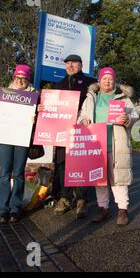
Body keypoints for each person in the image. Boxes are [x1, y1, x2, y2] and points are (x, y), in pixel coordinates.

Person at [77, 67, 139, 225]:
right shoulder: (91, 97)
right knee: (100, 178)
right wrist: (83, 120)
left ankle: (122, 210)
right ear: (99, 81)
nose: (107, 81)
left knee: (118, 177)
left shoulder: (122, 98)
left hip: (116, 142)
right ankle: (103, 208)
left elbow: (135, 114)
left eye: (110, 79)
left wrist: (127, 118)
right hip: (96, 143)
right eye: (104, 78)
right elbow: (82, 115)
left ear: (114, 81)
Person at [41, 54, 97, 219]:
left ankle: (81, 200)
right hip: (61, 131)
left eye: (74, 63)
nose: (70, 65)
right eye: (68, 63)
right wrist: (44, 108)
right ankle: (64, 198)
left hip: (82, 130)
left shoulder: (91, 83)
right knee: (62, 165)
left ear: (81, 65)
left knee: (81, 164)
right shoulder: (58, 84)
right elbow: (51, 107)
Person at [0, 65, 36, 223]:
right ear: (13, 78)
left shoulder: (34, 95)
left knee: (18, 173)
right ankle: (3, 208)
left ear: (28, 80)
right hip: (6, 137)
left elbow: (42, 115)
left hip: (22, 138)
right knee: (4, 172)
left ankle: (16, 208)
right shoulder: (4, 94)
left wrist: (36, 116)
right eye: (18, 78)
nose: (21, 81)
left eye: (24, 78)